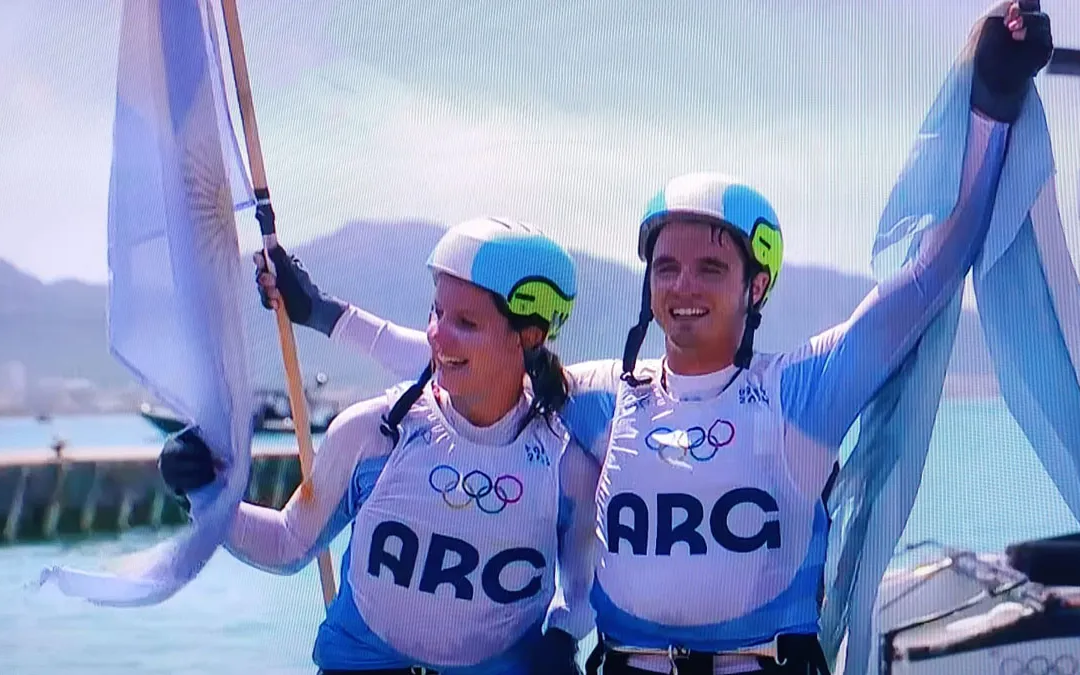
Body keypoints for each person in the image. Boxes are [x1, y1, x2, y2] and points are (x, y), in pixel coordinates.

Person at [250, 4, 1053, 673]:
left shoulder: (802, 389)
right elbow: (472, 365)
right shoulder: (606, 397)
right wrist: (321, 313)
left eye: (711, 267)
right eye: (666, 266)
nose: (683, 286)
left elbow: (929, 276)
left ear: (756, 285)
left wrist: (992, 103)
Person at [159, 217, 599, 675]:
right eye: (437, 313)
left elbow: (581, 592)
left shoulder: (567, 467)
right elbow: (286, 544)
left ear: (530, 336)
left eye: (466, 322)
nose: (438, 335)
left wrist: (562, 638)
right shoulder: (371, 433)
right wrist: (201, 492)